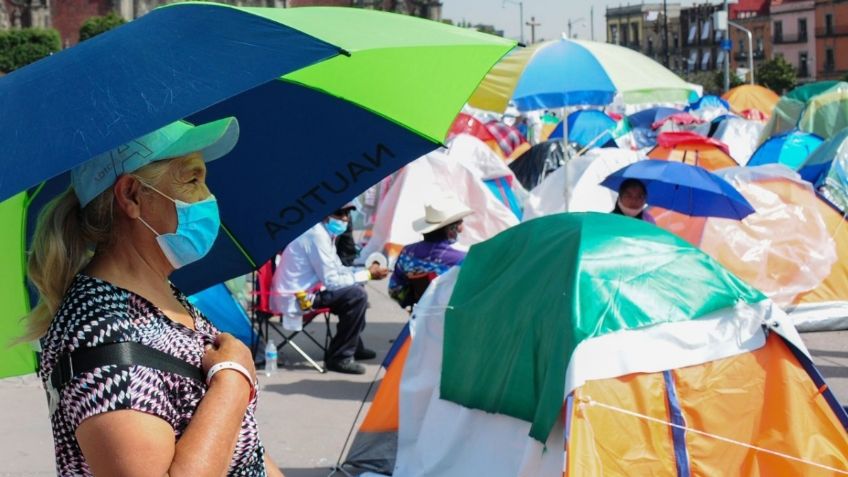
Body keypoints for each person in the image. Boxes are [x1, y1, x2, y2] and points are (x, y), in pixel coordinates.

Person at [24, 118, 285, 476]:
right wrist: (233, 380)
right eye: (192, 180)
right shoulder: (101, 333)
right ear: (131, 196)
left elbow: (240, 446)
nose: (208, 198)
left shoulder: (160, 295)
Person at [270, 206, 389, 375]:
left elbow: (338, 269)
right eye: (340, 213)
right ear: (324, 214)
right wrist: (368, 274)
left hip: (308, 292)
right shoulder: (316, 235)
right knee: (356, 295)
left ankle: (353, 345)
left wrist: (364, 272)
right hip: (297, 298)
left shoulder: (324, 234)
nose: (345, 218)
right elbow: (333, 281)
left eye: (348, 214)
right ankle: (339, 357)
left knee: (356, 287)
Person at [388, 197, 473, 309]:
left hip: (419, 320)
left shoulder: (407, 253)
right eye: (460, 223)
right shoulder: (464, 258)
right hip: (452, 321)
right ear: (451, 228)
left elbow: (394, 289)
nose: (461, 229)